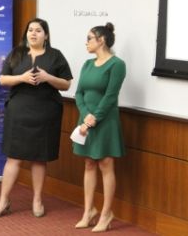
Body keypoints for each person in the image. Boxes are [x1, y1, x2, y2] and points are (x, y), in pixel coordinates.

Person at [0, 18, 73, 218]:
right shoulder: (16, 53)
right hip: (19, 112)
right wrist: (22, 78)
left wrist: (48, 78)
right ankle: (3, 201)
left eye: (38, 30)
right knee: (13, 157)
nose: (33, 33)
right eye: (30, 30)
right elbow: (2, 79)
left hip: (45, 112)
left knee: (39, 158)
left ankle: (37, 200)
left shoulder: (55, 56)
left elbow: (66, 84)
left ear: (46, 35)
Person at [73, 22, 126, 232]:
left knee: (105, 164)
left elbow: (111, 96)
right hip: (87, 121)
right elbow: (79, 93)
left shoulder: (117, 64)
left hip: (106, 122)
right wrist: (86, 117)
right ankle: (88, 212)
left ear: (101, 40)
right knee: (88, 164)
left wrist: (94, 118)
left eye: (89, 38)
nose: (86, 42)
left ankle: (106, 214)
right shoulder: (87, 64)